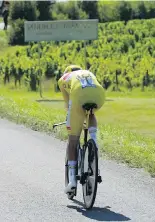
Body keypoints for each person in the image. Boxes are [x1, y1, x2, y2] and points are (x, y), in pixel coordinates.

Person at [57, 65, 105, 194]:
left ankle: (72, 180)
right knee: (91, 112)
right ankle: (94, 141)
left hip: (78, 94)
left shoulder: (63, 79)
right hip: (99, 94)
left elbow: (68, 106)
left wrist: (72, 124)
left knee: (73, 140)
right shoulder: (88, 72)